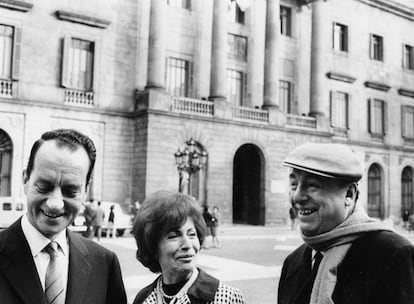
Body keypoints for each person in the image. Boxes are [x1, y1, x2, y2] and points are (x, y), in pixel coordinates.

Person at [0, 129, 127, 304]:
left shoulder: (104, 263)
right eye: (44, 186)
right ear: (25, 180)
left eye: (70, 190)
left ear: (85, 191)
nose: (55, 203)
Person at [278, 142, 414, 304]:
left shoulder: (392, 255)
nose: (297, 197)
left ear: (349, 194)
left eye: (312, 186)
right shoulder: (293, 262)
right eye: (294, 185)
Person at [132, 191, 246, 304]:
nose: (187, 245)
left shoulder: (225, 298)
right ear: (153, 247)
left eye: (192, 234)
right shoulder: (143, 300)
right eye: (174, 236)